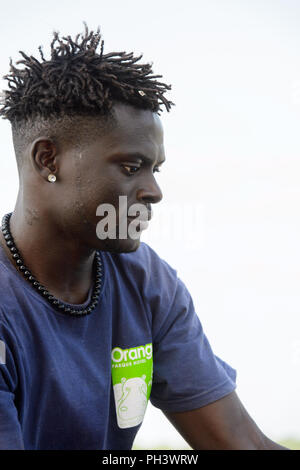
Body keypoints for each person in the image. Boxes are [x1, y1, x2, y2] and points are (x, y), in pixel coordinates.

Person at [0, 25, 286, 450]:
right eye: (132, 167)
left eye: (156, 169)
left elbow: (242, 445)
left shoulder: (145, 282)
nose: (154, 191)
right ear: (48, 159)